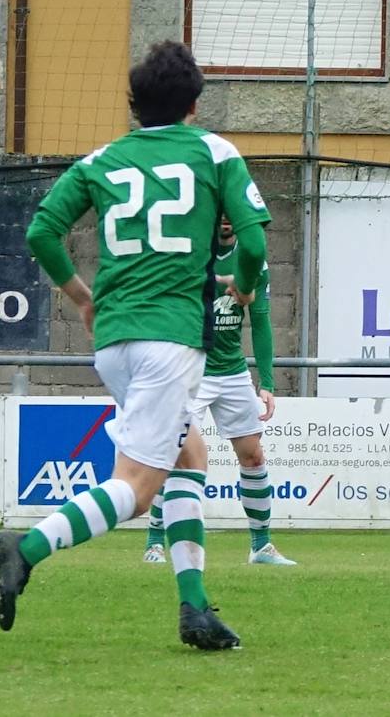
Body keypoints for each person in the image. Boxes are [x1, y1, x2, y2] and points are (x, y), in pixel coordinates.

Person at [0, 40, 270, 651]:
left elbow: (43, 231)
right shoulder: (216, 153)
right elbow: (251, 249)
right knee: (139, 492)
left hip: (114, 340)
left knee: (190, 456)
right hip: (168, 340)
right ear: (194, 103)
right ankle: (27, 546)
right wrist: (244, 293)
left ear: (135, 105)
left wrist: (83, 298)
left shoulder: (102, 159)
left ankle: (195, 610)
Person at [142, 215, 296, 568]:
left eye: (232, 214)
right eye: (220, 213)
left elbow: (259, 319)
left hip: (233, 372)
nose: (226, 220)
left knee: (254, 455)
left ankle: (261, 546)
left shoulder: (253, 259)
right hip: (191, 370)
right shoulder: (191, 253)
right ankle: (154, 541)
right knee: (174, 454)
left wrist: (268, 382)